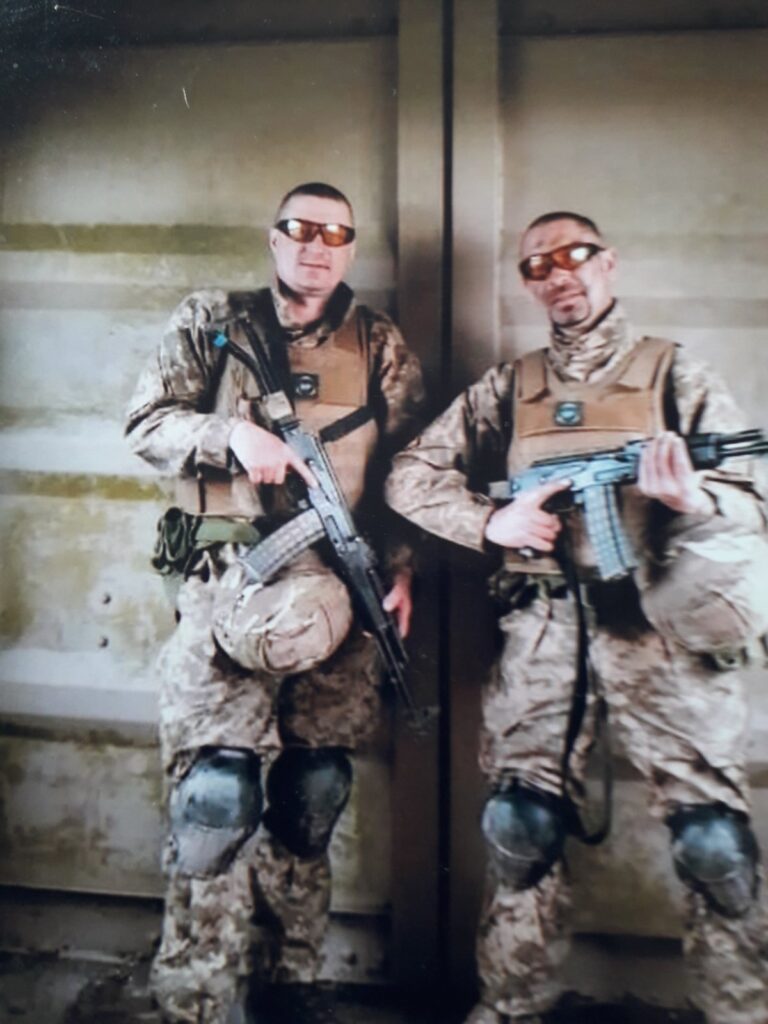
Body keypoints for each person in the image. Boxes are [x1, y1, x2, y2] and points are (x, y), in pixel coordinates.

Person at [386, 211, 768, 1024]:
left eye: (576, 255)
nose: (559, 273)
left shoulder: (674, 372)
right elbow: (410, 476)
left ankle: (742, 1010)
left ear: (609, 263)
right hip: (544, 630)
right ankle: (509, 1005)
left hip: (660, 632)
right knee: (519, 825)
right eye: (538, 264)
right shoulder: (510, 387)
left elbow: (753, 503)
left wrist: (694, 497)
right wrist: (490, 523)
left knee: (714, 843)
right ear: (528, 285)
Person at [125, 182, 425, 1024]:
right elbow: (145, 424)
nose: (316, 245)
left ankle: (292, 984)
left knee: (312, 789)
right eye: (300, 228)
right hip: (227, 584)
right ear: (274, 238)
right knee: (215, 796)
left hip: (343, 597)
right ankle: (198, 998)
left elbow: (410, 467)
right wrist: (231, 435)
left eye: (335, 233)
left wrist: (401, 570)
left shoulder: (379, 344)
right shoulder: (213, 320)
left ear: (351, 248)